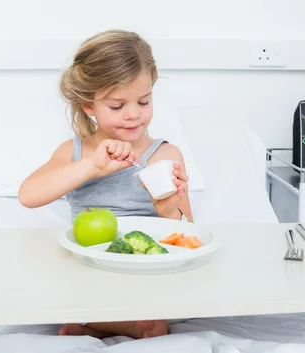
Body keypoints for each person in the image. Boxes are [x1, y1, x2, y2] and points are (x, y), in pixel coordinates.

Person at [18, 29, 193, 340]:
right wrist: (92, 167)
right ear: (89, 106)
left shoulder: (164, 155)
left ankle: (96, 325)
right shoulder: (75, 153)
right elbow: (28, 195)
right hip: (91, 268)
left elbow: (189, 236)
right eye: (117, 106)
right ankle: (108, 321)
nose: (134, 115)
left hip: (144, 272)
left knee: (163, 311)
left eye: (143, 101)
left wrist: (169, 212)